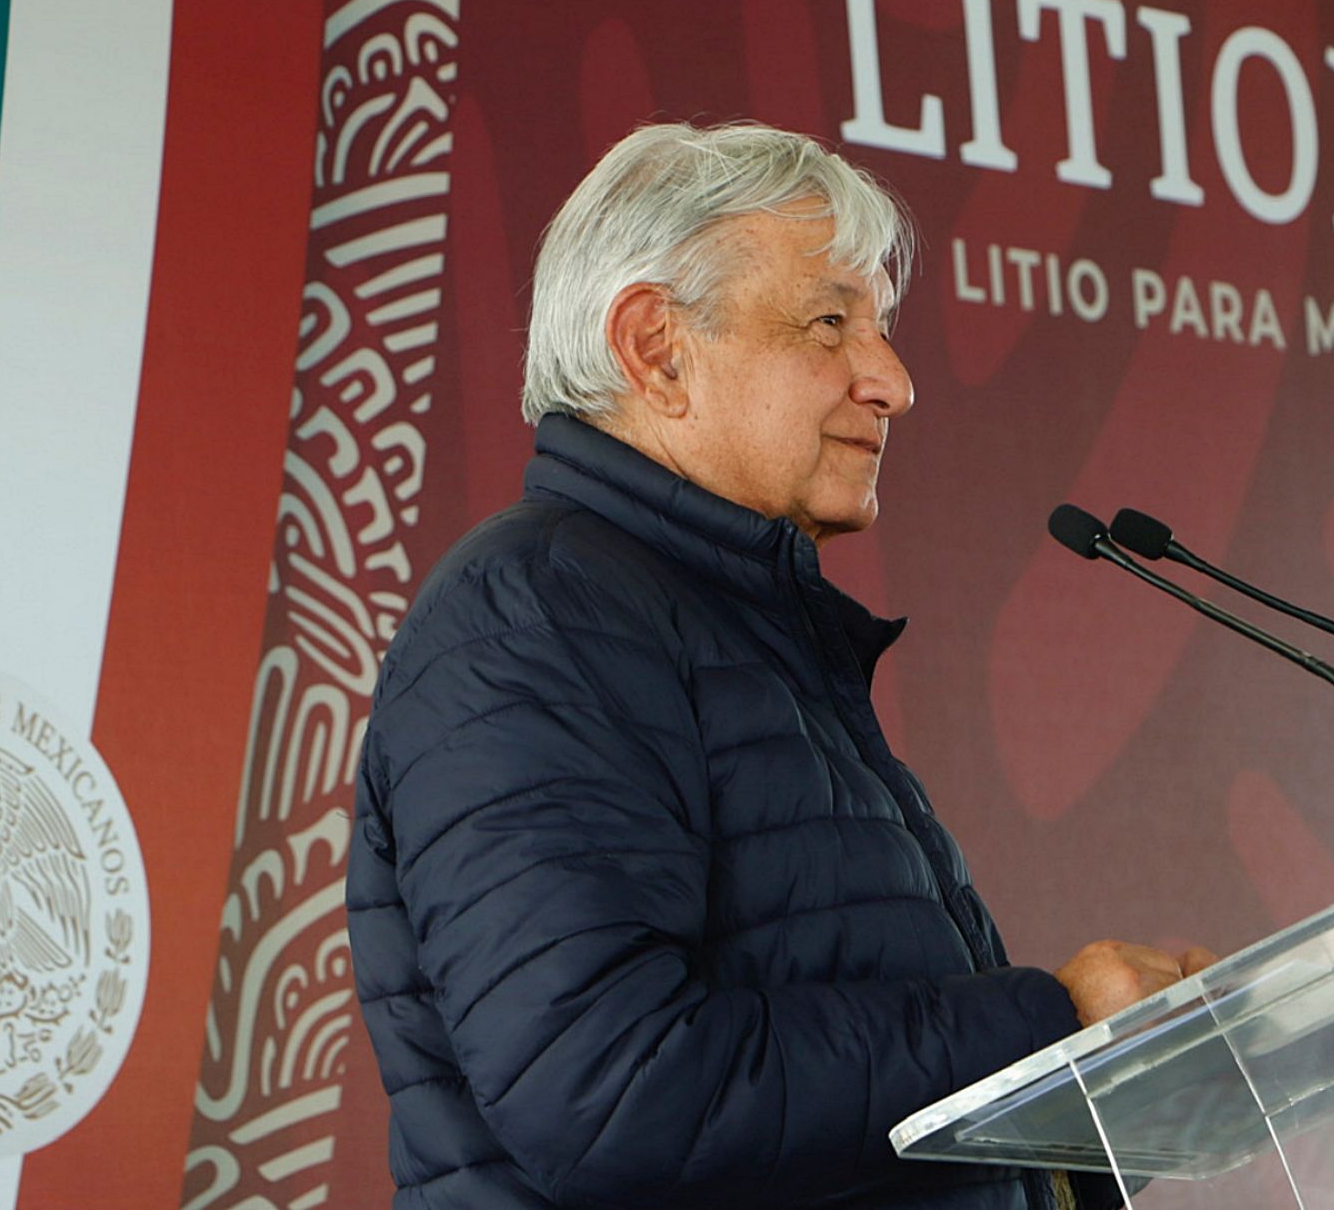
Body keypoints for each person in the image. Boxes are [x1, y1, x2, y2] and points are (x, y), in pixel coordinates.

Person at [348, 121, 1211, 1208]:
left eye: (880, 327)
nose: (890, 379)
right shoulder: (536, 616)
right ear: (657, 349)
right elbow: (613, 1092)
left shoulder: (733, 623)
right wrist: (1048, 1023)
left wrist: (1074, 1125)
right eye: (827, 323)